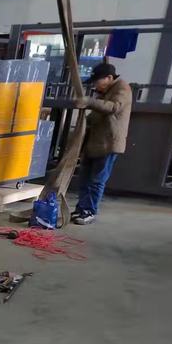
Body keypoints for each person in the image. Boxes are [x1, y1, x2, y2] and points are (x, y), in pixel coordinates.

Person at [72, 62, 133, 225]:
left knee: (97, 180)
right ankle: (81, 208)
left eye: (97, 81)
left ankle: (89, 211)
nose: (95, 85)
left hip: (108, 144)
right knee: (84, 179)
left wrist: (89, 101)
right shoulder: (104, 92)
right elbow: (96, 115)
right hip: (94, 142)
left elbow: (114, 107)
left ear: (109, 78)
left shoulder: (122, 88)